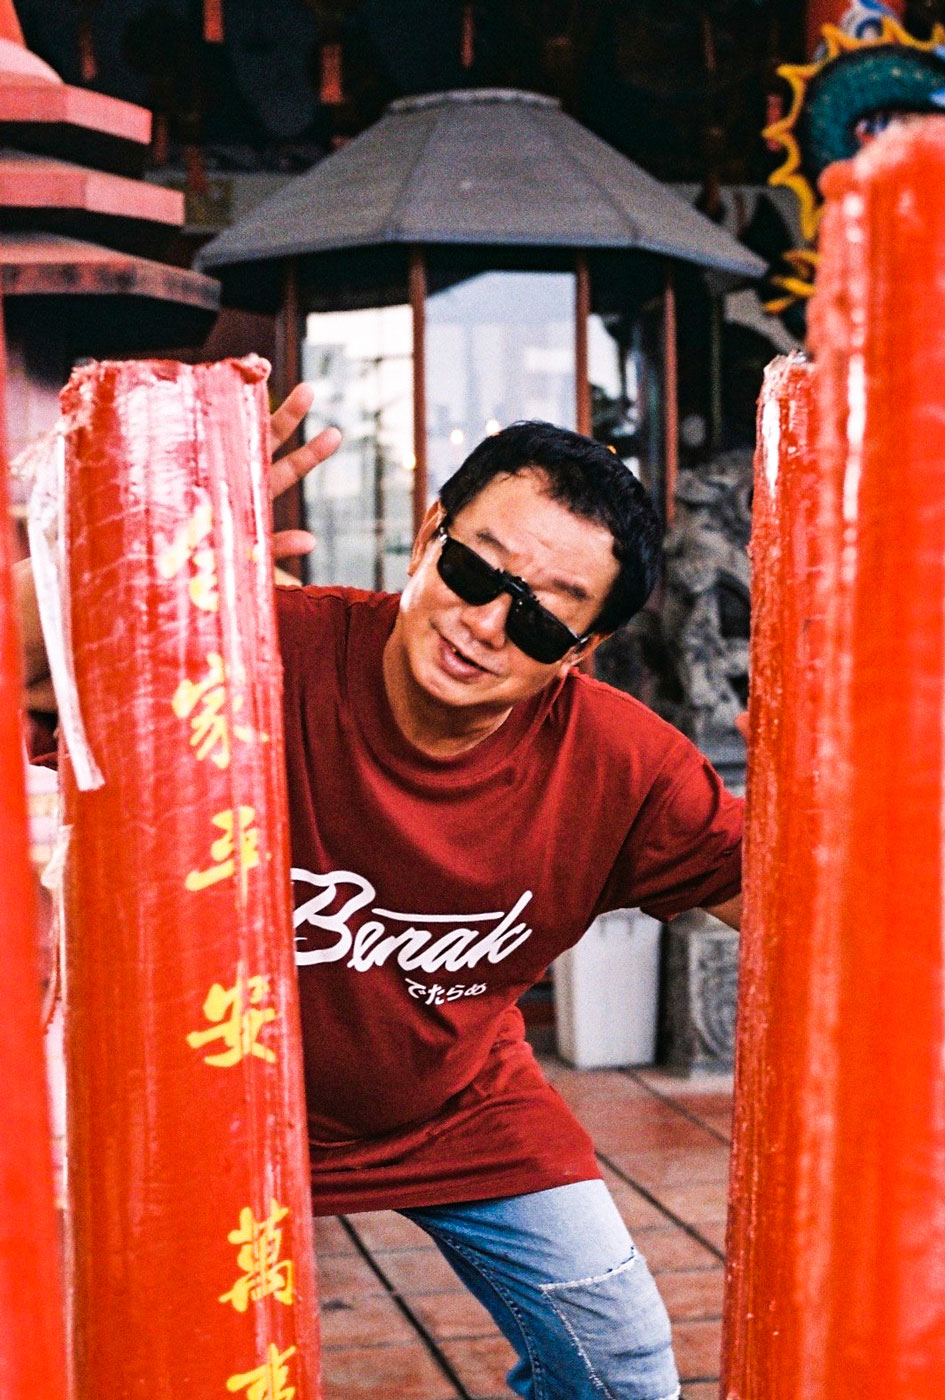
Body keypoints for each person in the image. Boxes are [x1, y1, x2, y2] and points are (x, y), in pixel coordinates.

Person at [17, 386, 743, 1400]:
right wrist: (84, 576)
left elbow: (807, 905)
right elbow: (37, 680)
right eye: (472, 567)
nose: (484, 622)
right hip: (207, 1097)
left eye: (538, 618)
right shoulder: (251, 643)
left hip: (454, 1105)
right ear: (425, 537)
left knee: (623, 1364)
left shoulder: (625, 765)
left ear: (579, 655)